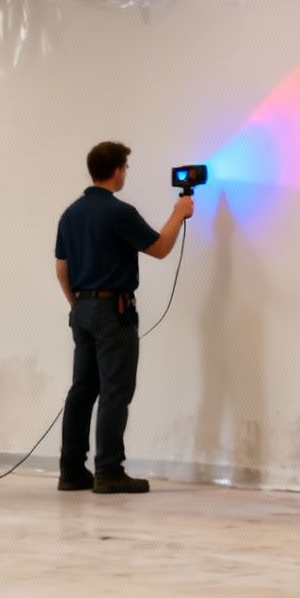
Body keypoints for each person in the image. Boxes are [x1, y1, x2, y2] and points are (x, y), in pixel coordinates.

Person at [53, 142, 193, 494]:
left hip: (82, 308)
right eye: (126, 167)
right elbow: (160, 249)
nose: (126, 173)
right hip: (113, 310)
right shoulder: (119, 212)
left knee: (82, 390)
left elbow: (61, 270)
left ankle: (71, 471)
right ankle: (109, 471)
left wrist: (77, 307)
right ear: (117, 169)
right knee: (116, 390)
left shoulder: (70, 214)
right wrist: (179, 213)